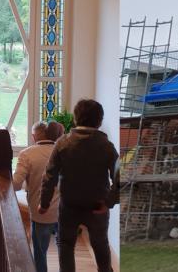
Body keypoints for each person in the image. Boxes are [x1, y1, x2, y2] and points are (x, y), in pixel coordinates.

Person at [39, 99, 119, 272]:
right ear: (99, 121)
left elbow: (50, 175)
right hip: (97, 206)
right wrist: (109, 202)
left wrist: (44, 203)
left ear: (76, 119)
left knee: (66, 245)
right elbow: (120, 178)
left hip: (69, 205)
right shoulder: (106, 146)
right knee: (100, 244)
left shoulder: (62, 143)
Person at [13, 121, 60, 272]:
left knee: (40, 252)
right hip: (64, 210)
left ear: (34, 137)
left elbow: (16, 184)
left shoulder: (27, 154)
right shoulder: (64, 151)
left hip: (41, 212)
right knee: (65, 250)